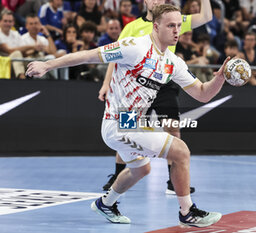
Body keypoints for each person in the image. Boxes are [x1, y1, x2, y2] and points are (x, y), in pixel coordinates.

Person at [26, 4, 227, 227]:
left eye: (179, 26)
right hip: (117, 123)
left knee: (141, 169)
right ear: (156, 25)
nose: (177, 31)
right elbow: (90, 55)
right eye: (171, 25)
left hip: (133, 122)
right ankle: (187, 212)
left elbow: (202, 94)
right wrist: (48, 64)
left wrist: (219, 78)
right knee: (181, 151)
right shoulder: (135, 47)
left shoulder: (172, 62)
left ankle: (106, 203)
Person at [99, 0, 213, 194]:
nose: (157, 1)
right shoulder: (132, 27)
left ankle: (172, 182)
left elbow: (206, 17)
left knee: (173, 130)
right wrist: (106, 83)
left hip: (165, 83)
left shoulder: (174, 20)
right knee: (127, 128)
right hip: (137, 86)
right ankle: (117, 175)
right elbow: (114, 56)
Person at [0, 9, 38, 79]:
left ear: (13, 23)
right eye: (5, 21)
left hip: (17, 62)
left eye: (10, 21)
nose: (7, 24)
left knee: (35, 57)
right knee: (16, 54)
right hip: (3, 65)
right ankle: (22, 79)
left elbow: (24, 53)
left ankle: (44, 81)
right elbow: (9, 50)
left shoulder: (15, 34)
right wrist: (33, 46)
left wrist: (35, 51)